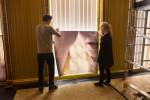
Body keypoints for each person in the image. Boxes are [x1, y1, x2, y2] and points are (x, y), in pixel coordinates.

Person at [35, 15, 61, 93]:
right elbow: (59, 35)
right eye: (50, 20)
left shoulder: (37, 27)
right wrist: (57, 30)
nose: (50, 22)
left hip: (40, 52)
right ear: (48, 20)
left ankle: (41, 87)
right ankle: (51, 86)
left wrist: (51, 41)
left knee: (40, 70)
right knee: (51, 69)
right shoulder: (49, 27)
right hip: (48, 52)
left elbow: (43, 38)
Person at [94, 22, 114, 87]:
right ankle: (107, 81)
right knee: (107, 69)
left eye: (101, 27)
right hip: (106, 56)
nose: (100, 28)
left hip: (104, 56)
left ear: (105, 28)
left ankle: (101, 82)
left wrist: (101, 37)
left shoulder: (106, 37)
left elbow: (103, 46)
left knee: (102, 69)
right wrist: (101, 36)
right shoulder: (108, 36)